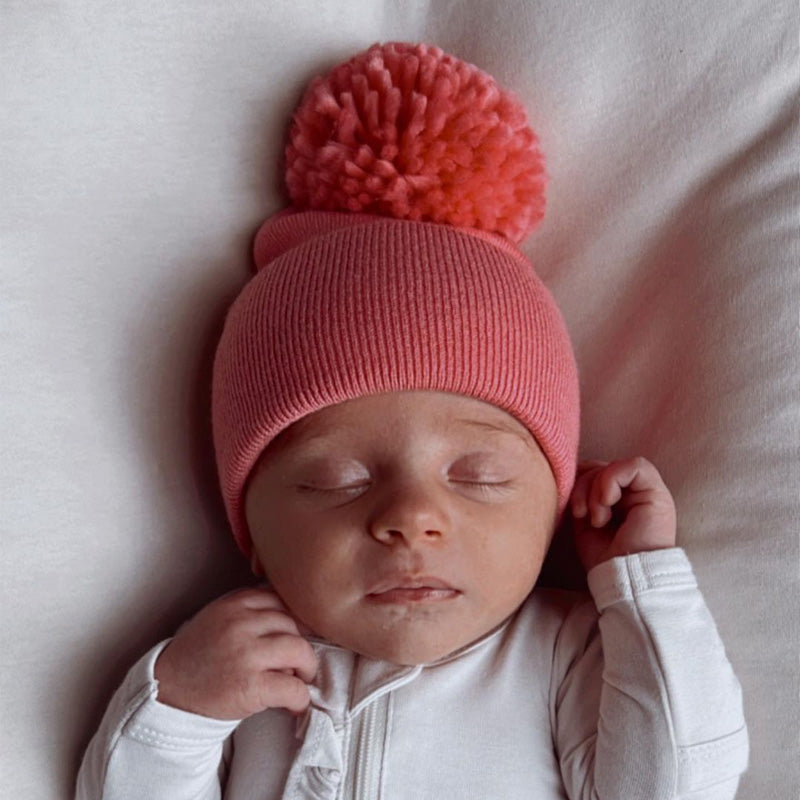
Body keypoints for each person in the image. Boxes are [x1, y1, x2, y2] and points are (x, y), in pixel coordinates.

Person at [75, 41, 749, 799]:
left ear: (555, 506)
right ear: (252, 535)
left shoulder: (564, 655)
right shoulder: (245, 669)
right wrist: (178, 713)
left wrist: (640, 584)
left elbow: (682, 785)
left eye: (480, 475)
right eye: (337, 479)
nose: (413, 516)